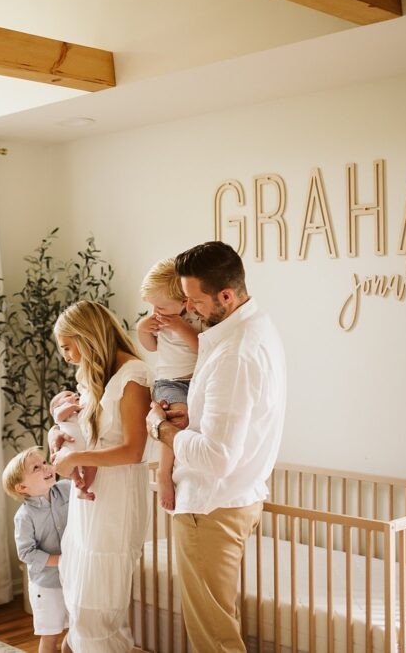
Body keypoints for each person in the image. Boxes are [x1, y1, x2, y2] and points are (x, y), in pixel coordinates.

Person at [145, 241, 287, 652]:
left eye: (194, 300)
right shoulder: (254, 328)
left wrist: (161, 429)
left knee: (214, 639)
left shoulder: (235, 354)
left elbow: (216, 457)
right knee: (218, 627)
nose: (188, 309)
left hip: (211, 507)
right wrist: (189, 421)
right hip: (232, 499)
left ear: (226, 295)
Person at [49, 300, 152, 652]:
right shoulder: (97, 374)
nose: (65, 356)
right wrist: (59, 431)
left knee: (98, 604)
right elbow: (90, 432)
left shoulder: (134, 377)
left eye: (67, 346)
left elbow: (133, 451)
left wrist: (76, 456)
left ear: (87, 336)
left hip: (118, 495)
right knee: (80, 592)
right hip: (92, 497)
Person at [136, 257, 203, 510]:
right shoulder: (158, 318)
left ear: (185, 301)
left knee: (190, 421)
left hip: (196, 381)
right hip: (169, 381)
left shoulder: (197, 317)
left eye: (160, 307)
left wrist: (181, 327)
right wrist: (143, 329)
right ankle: (164, 473)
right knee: (176, 418)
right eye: (152, 307)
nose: (156, 312)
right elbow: (151, 346)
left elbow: (203, 349)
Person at [3, 447, 73, 653]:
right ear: (22, 487)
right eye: (36, 467)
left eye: (44, 462)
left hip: (73, 577)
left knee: (77, 629)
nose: (46, 467)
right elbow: (26, 553)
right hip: (47, 585)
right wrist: (59, 560)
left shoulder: (67, 489)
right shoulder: (24, 516)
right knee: (50, 635)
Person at [50, 388, 97, 500]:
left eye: (74, 394)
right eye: (67, 395)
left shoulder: (76, 414)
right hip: (68, 446)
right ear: (56, 406)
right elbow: (58, 417)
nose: (75, 394)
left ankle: (83, 489)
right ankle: (76, 479)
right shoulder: (61, 411)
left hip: (84, 449)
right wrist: (73, 407)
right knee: (71, 463)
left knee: (92, 467)